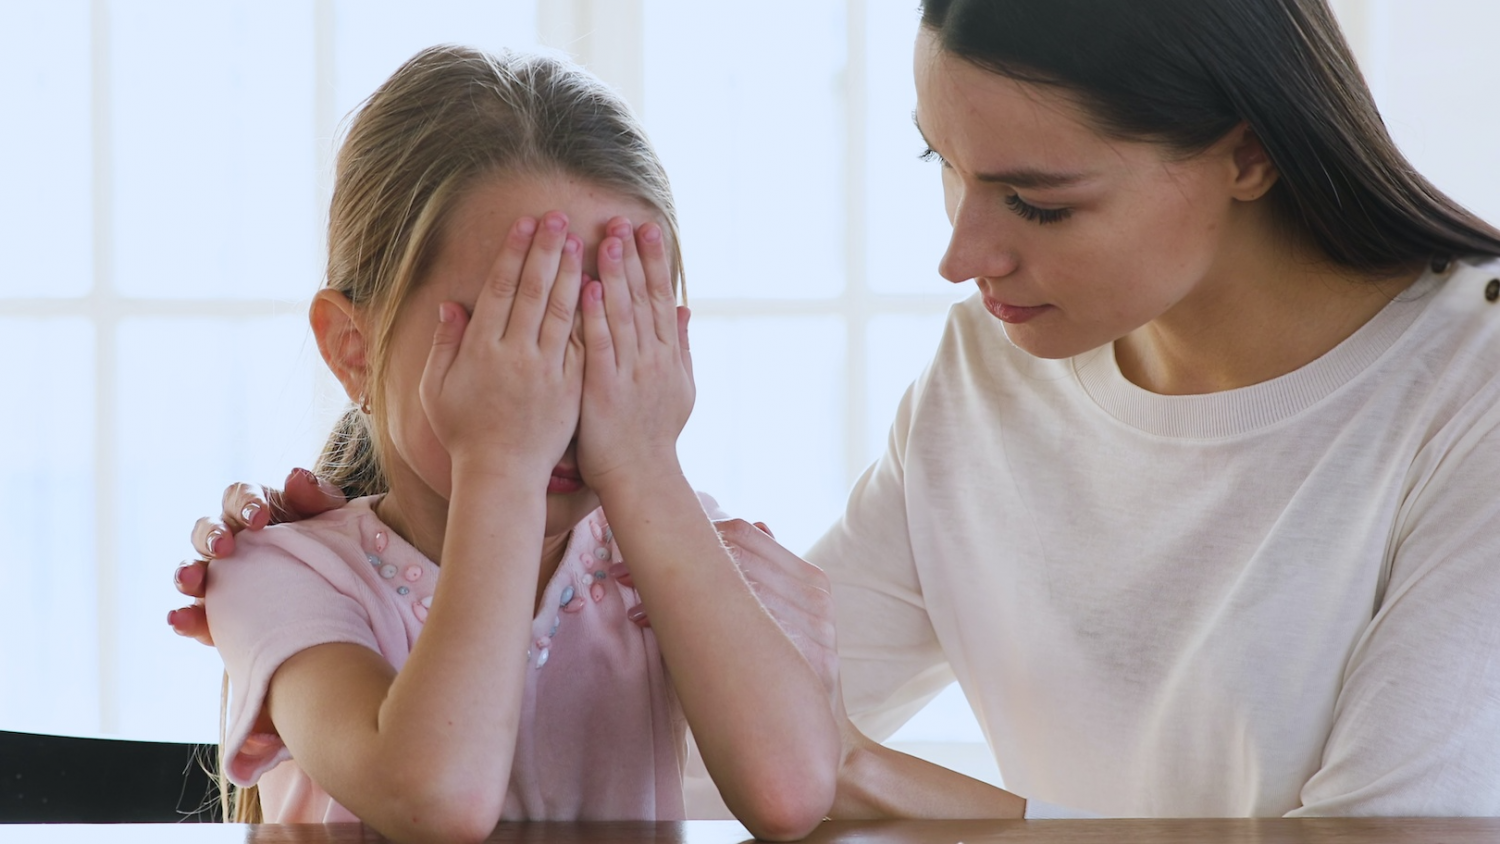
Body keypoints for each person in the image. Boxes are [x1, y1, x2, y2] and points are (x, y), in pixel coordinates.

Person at [173, 0, 1500, 821]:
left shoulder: (1466, 395)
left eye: (1037, 199)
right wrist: (404, 559)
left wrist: (869, 774)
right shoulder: (993, 375)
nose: (960, 255)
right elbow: (712, 757)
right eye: (944, 168)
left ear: (1248, 150)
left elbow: (801, 769)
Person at [191, 45, 838, 843]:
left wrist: (645, 465)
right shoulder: (278, 572)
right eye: (514, 335)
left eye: (611, 335)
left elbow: (791, 791)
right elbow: (438, 801)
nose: (557, 393)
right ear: (355, 348)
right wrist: (501, 462)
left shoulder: (664, 543)